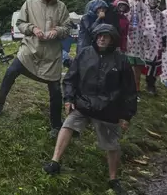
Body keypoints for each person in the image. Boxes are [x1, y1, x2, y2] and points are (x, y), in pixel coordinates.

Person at [43, 24, 137, 195]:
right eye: (100, 35)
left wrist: (126, 115)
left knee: (112, 145)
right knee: (67, 125)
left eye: (106, 36)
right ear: (95, 37)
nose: (102, 38)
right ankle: (54, 162)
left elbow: (129, 90)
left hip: (109, 109)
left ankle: (113, 179)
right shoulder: (85, 53)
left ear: (112, 39)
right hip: (83, 103)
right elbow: (70, 78)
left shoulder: (121, 60)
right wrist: (69, 99)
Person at [0, 0, 71, 137]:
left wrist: (57, 31)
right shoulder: (29, 3)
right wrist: (33, 28)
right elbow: (20, 23)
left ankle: (56, 125)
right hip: (30, 49)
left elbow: (67, 28)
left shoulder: (61, 7)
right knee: (11, 72)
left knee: (55, 89)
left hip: (51, 55)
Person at [126, 0, 158, 93]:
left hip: (140, 42)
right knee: (127, 64)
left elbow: (149, 22)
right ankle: (126, 87)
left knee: (138, 65)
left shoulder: (144, 7)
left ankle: (136, 87)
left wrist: (148, 33)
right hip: (128, 41)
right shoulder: (126, 5)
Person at [142, 0, 167, 95]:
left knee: (155, 64)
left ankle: (151, 85)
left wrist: (164, 43)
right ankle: (137, 84)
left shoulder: (160, 14)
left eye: (155, 0)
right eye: (151, 0)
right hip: (145, 42)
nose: (153, 1)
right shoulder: (143, 12)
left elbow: (164, 29)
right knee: (142, 64)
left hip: (158, 42)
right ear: (147, 1)